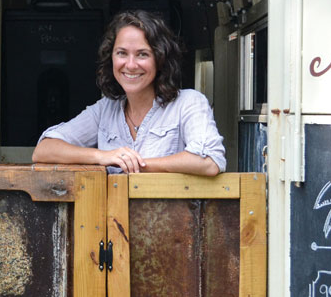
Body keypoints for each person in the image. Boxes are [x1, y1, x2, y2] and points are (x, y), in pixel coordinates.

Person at [32, 9, 225, 176]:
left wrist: (138, 165)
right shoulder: (105, 110)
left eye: (142, 54)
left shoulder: (188, 102)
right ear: (111, 58)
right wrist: (103, 157)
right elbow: (44, 150)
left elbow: (210, 162)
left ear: (160, 59)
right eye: (122, 53)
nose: (130, 65)